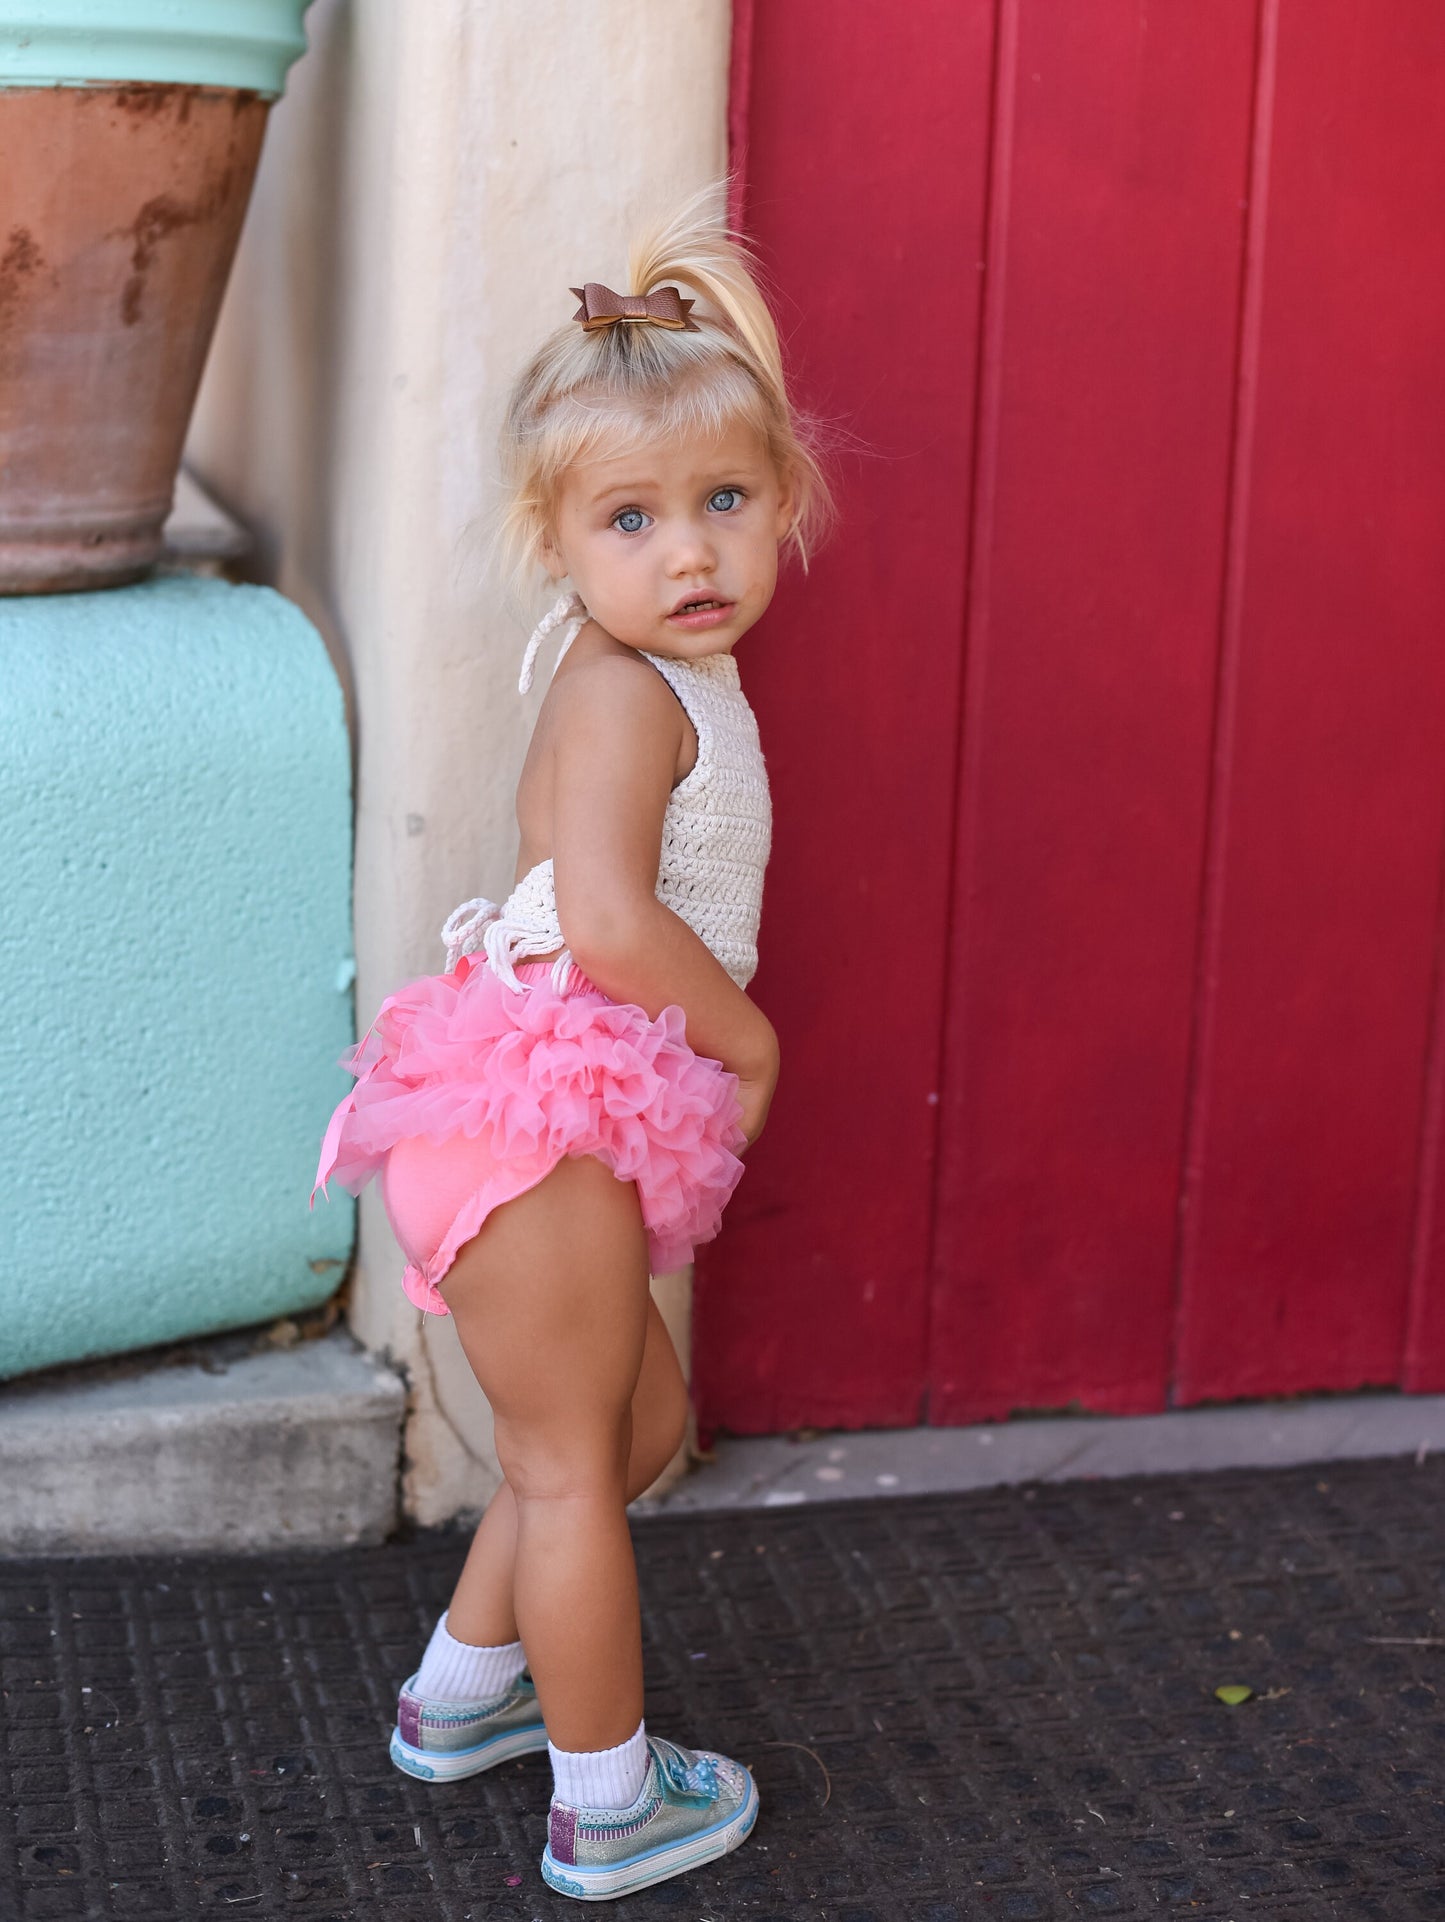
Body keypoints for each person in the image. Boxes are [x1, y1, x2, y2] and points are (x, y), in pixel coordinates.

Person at [312, 179, 831, 1903]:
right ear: (561, 544)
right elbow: (606, 918)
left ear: (784, 506)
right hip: (535, 1114)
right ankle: (610, 1799)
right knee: (570, 1462)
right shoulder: (616, 690)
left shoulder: (689, 684)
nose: (686, 550)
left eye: (724, 501)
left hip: (560, 1112)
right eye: (631, 519)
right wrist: (746, 1044)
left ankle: (465, 1694)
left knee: (625, 1432)